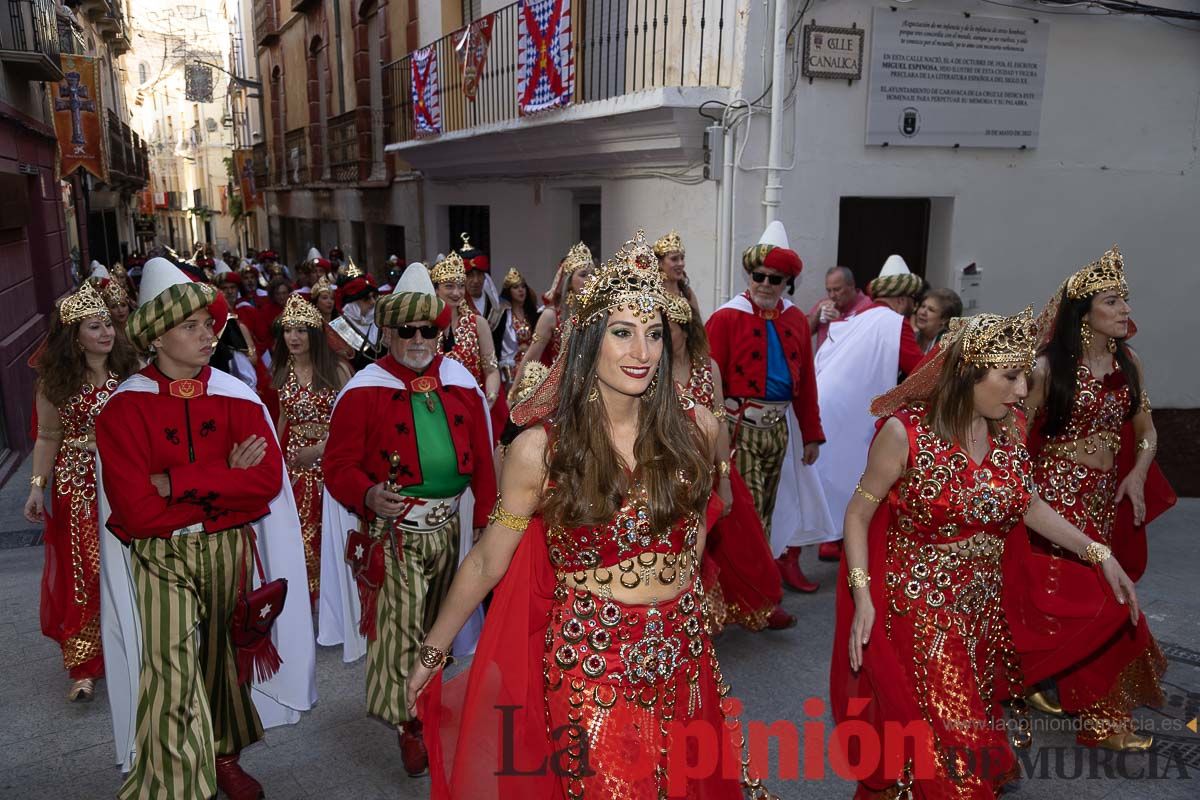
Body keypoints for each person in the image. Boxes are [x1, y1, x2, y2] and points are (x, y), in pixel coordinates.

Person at [408, 230, 765, 798]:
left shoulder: (695, 428)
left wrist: (680, 591)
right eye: (622, 333)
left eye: (653, 333)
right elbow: (486, 562)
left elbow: (699, 520)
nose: (642, 352)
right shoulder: (542, 449)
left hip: (683, 650)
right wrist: (434, 650)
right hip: (594, 658)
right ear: (589, 340)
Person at [831, 307, 1143, 798]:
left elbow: (1029, 505)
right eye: (1011, 376)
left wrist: (1098, 552)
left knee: (946, 730)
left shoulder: (1010, 429)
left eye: (1024, 376)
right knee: (959, 745)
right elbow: (857, 514)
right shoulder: (905, 433)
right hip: (923, 608)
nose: (1022, 390)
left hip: (983, 610)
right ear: (967, 373)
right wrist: (863, 596)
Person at [96, 257, 316, 800]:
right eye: (190, 326)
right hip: (161, 556)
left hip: (228, 552)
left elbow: (264, 482)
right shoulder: (123, 410)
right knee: (171, 670)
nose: (207, 335)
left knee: (222, 661)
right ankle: (175, 786)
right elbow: (138, 513)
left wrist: (175, 483)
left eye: (208, 324)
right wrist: (224, 482)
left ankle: (223, 755)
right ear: (156, 337)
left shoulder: (237, 395)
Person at [319, 262, 497, 778]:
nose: (419, 340)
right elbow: (338, 465)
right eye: (407, 330)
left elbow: (485, 457)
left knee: (441, 625)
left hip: (451, 527)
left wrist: (487, 517)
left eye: (428, 330)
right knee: (400, 629)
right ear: (388, 333)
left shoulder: (459, 380)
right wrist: (368, 494)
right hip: (396, 532)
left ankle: (430, 699)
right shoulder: (364, 389)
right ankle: (409, 723)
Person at [1021, 245, 1175, 750]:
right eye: (1113, 301)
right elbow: (1014, 441)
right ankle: (1100, 718)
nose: (1126, 309)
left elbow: (1147, 432)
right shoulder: (1047, 369)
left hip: (1104, 498)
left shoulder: (1129, 363)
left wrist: (1138, 473)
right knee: (1094, 599)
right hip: (1057, 498)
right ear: (1083, 312)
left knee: (1071, 601)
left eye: (1125, 299)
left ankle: (1035, 680)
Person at [24, 282, 138, 701]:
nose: (106, 332)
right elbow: (47, 436)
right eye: (95, 326)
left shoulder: (131, 369)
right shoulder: (54, 381)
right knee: (85, 570)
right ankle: (85, 665)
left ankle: (139, 646)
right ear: (75, 336)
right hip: (79, 485)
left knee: (133, 562)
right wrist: (36, 488)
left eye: (107, 323)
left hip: (127, 478)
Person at [706, 221, 826, 593]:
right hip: (739, 429)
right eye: (758, 276)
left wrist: (812, 434)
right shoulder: (726, 317)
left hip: (778, 431)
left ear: (787, 282)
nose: (765, 285)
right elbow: (707, 379)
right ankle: (750, 595)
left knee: (768, 513)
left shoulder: (795, 319)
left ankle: (756, 591)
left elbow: (807, 384)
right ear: (749, 276)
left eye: (775, 279)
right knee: (750, 513)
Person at [666, 294, 795, 631]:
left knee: (739, 541)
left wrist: (723, 477)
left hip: (710, 468)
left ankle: (756, 604)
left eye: (667, 328)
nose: (660, 336)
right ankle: (693, 615)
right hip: (669, 476)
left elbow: (720, 423)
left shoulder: (708, 368)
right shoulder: (652, 370)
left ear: (685, 328)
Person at [812, 254, 926, 564]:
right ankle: (832, 543)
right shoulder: (895, 323)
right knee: (853, 474)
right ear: (902, 299)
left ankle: (828, 541)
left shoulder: (857, 318)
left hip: (827, 403)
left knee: (824, 476)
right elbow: (921, 374)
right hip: (851, 411)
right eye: (912, 302)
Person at [272, 294, 353, 606]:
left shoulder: (337, 370)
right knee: (298, 534)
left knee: (330, 533)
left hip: (331, 463)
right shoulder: (283, 370)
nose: (293, 337)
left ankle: (335, 600)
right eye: (288, 330)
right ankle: (307, 601)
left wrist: (319, 449)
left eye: (301, 330)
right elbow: (283, 419)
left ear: (315, 334)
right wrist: (276, 461)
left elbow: (352, 423)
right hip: (295, 467)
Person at [430, 252, 503, 410]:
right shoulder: (427, 327)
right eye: (449, 286)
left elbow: (491, 369)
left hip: (472, 405)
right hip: (435, 407)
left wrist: (490, 398)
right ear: (436, 289)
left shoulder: (478, 323)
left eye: (461, 286)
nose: (457, 293)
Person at [521, 242, 594, 371]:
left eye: (593, 274)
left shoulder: (598, 312)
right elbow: (531, 359)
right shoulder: (551, 315)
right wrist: (516, 385)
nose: (590, 279)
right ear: (569, 282)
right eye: (583, 275)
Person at [330, 260, 384, 370]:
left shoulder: (382, 323)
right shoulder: (336, 328)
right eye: (366, 299)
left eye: (374, 296)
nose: (373, 302)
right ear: (352, 303)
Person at [807, 266, 874, 349]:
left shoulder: (868, 307)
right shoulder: (824, 304)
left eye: (837, 290)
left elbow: (866, 343)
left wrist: (840, 322)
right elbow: (803, 333)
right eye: (829, 290)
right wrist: (816, 316)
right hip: (824, 357)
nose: (832, 295)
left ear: (852, 285)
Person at [458, 234, 505, 350]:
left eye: (479, 274)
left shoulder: (497, 309)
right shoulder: (455, 307)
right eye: (469, 275)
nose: (476, 280)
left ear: (485, 276)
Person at [498, 267, 540, 384]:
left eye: (523, 287)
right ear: (509, 291)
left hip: (533, 363)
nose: (521, 290)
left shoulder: (533, 313)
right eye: (516, 287)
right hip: (512, 366)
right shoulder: (504, 316)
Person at [654, 229, 702, 318]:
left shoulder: (687, 293)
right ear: (659, 263)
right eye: (674, 259)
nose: (681, 263)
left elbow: (698, 325)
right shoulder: (653, 294)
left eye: (682, 258)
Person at [912, 286, 963, 353]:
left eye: (931, 310)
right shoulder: (911, 338)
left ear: (944, 319)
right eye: (923, 306)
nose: (923, 312)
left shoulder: (948, 347)